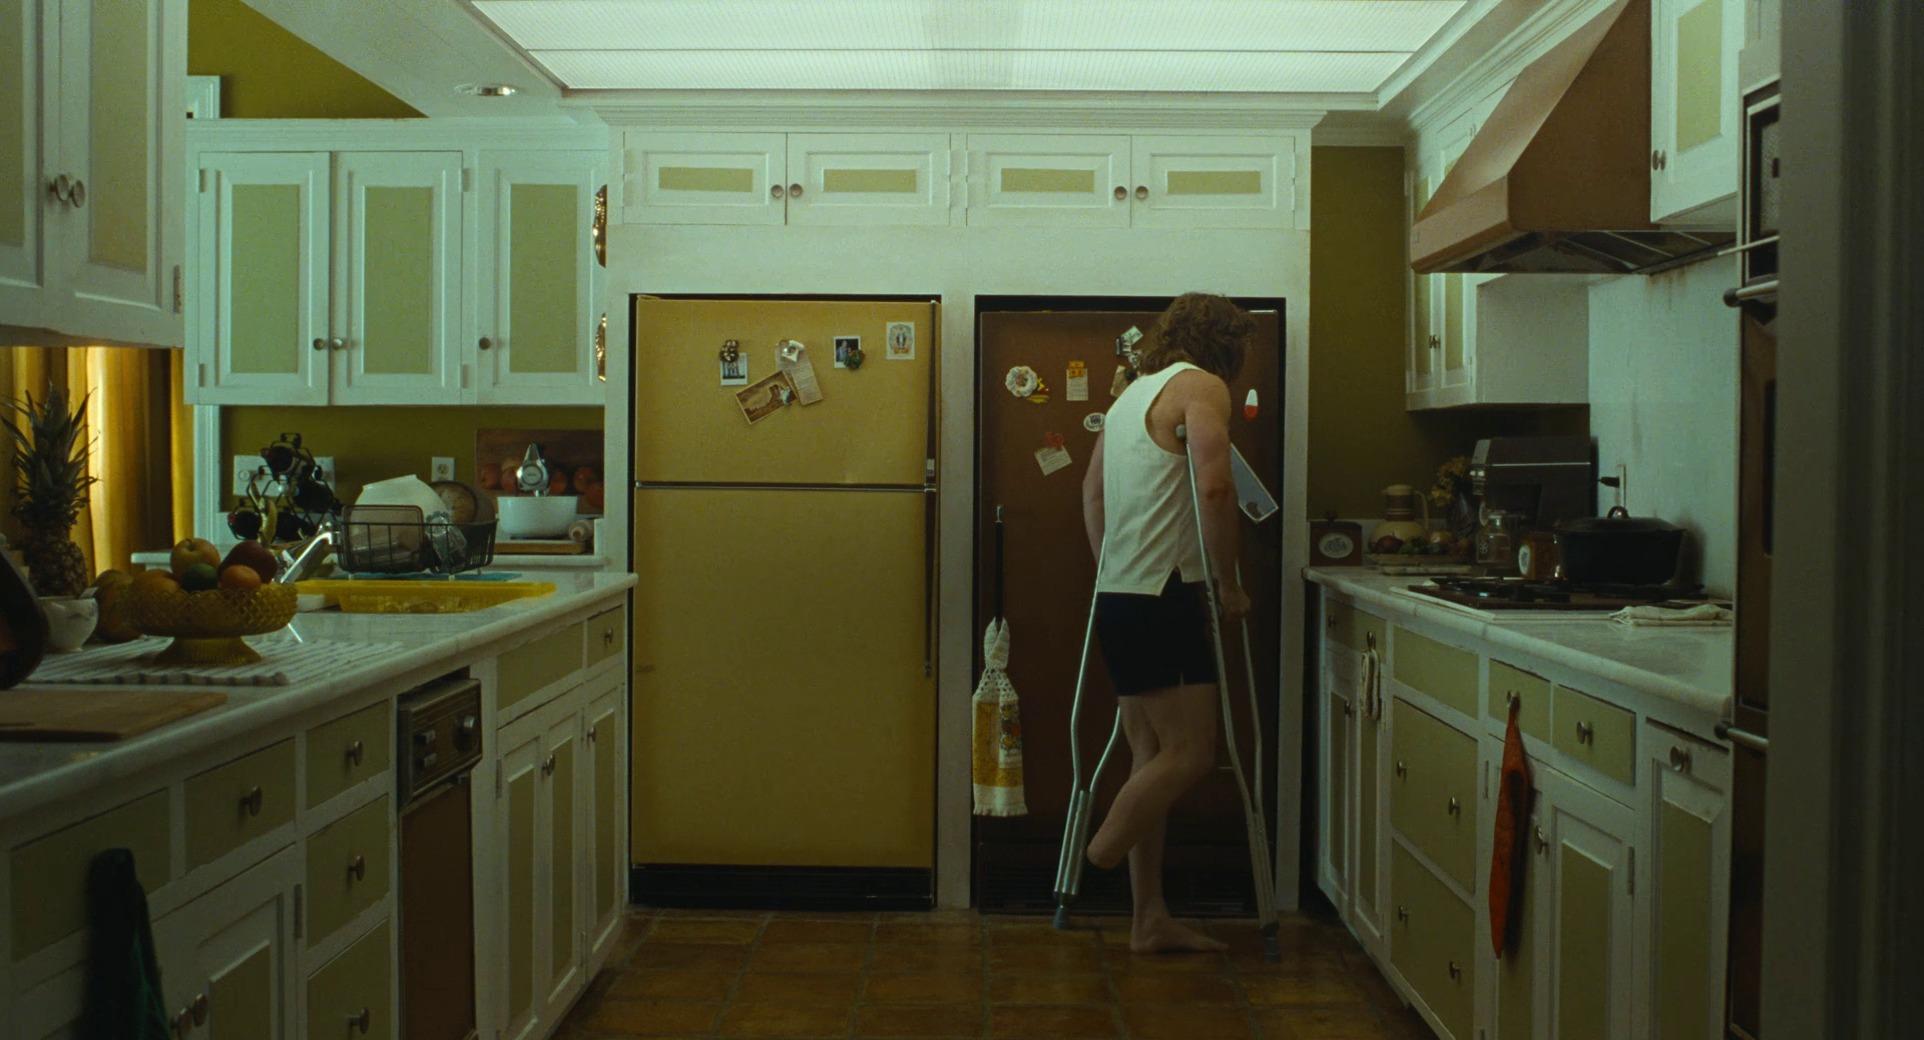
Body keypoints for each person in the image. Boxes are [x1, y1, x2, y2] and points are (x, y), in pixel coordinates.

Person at [1080, 291, 1253, 954]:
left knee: (1149, 754)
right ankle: (1099, 850)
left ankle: (1148, 918)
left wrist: (1113, 563)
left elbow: (1092, 492)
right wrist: (1228, 584)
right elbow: (1215, 485)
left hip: (1121, 594)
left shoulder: (1130, 397)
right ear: (1225, 344)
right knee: (1191, 752)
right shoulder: (1202, 388)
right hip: (1166, 593)